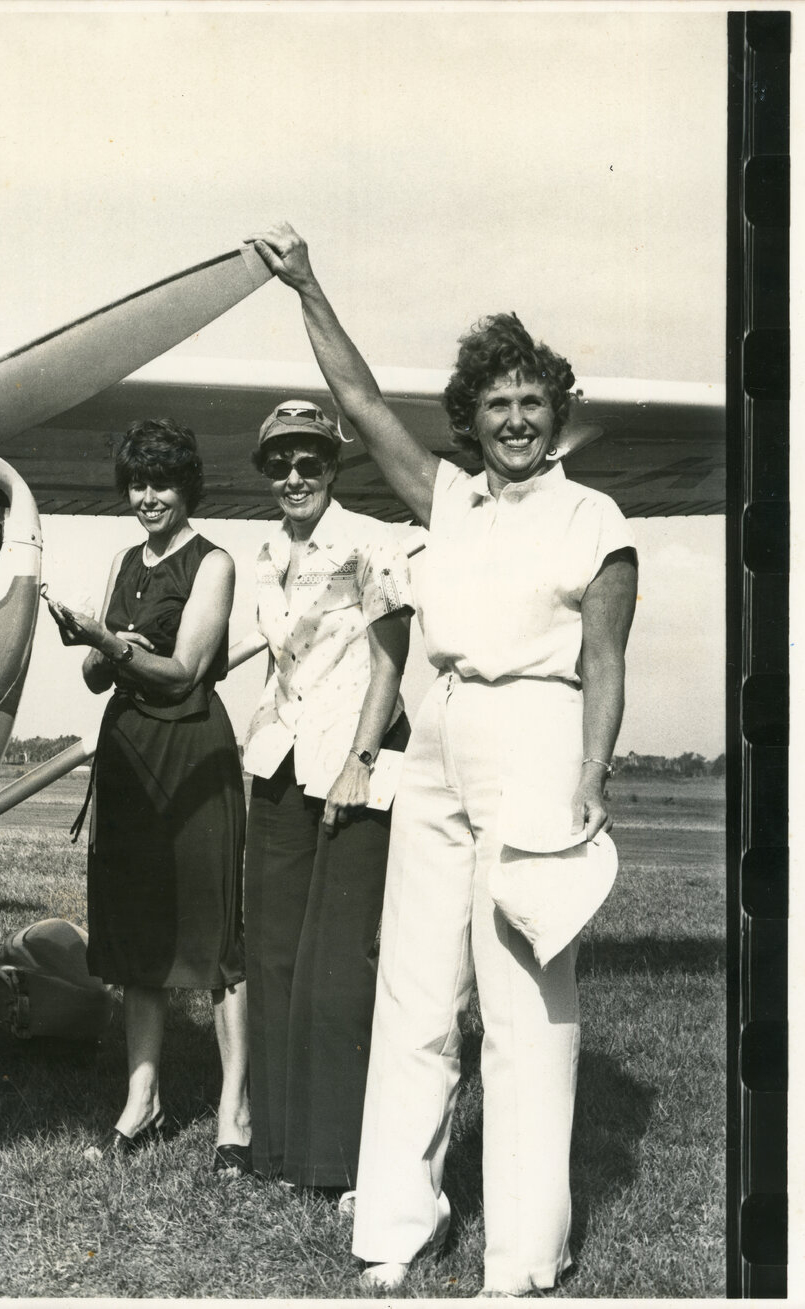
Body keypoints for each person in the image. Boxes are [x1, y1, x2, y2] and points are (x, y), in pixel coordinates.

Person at [247, 223, 638, 1294]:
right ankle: (394, 1226)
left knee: (524, 1006)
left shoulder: (595, 520)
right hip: (439, 735)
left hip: (537, 738)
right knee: (415, 994)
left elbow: (605, 661)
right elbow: (361, 403)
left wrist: (592, 774)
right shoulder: (449, 499)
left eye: (532, 401)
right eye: (495, 403)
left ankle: (522, 1257)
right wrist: (307, 285)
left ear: (558, 411)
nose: (514, 419)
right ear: (471, 417)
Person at [46, 418, 251, 1174]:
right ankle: (143, 1099)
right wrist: (91, 644)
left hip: (191, 750)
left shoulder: (213, 562)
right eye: (136, 483)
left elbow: (185, 672)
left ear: (185, 487)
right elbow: (96, 678)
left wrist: (110, 642)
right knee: (136, 932)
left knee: (213, 933)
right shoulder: (123, 560)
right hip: (129, 752)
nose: (147, 497)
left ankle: (235, 1112)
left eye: (161, 482)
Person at [240, 399, 414, 1195]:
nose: (294, 476)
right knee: (273, 955)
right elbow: (281, 663)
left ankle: (337, 1159)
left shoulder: (372, 542)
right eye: (279, 463)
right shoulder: (265, 553)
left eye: (309, 460)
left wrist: (360, 761)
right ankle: (278, 1151)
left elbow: (389, 662)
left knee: (336, 963)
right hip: (279, 762)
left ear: (334, 465)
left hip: (353, 760)